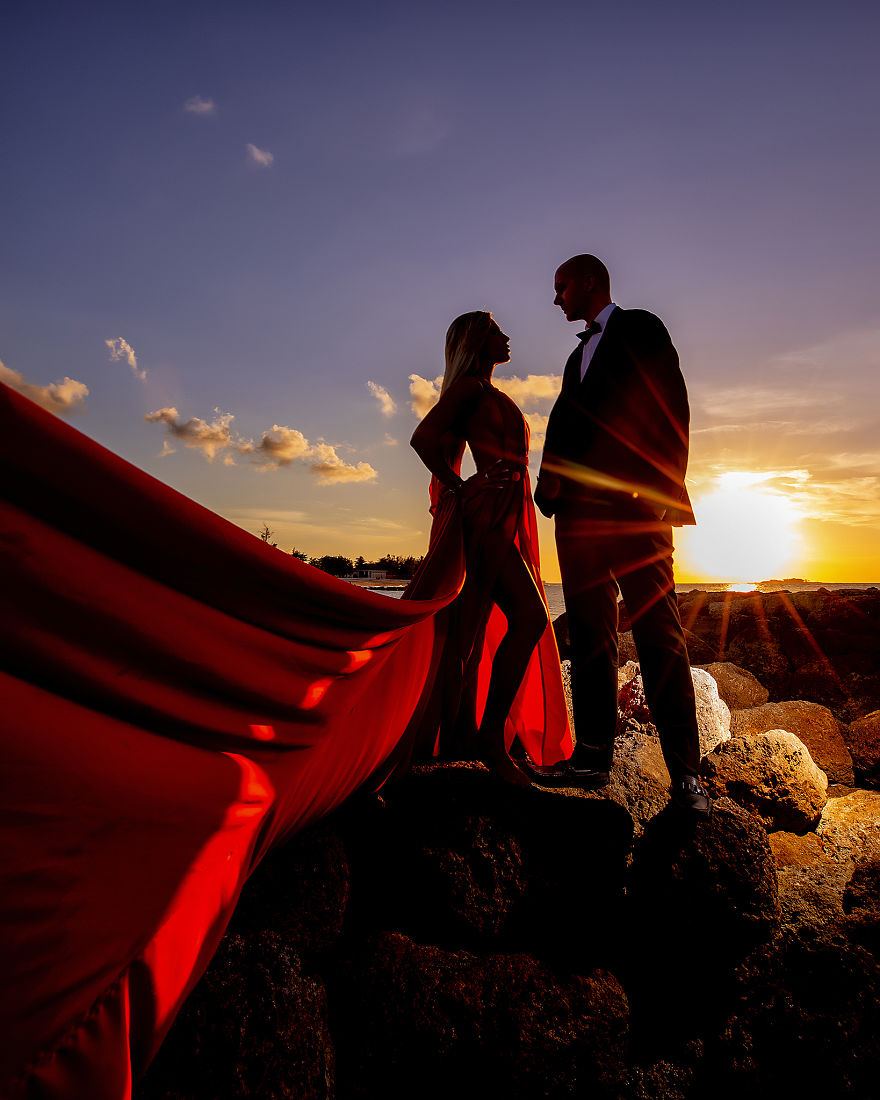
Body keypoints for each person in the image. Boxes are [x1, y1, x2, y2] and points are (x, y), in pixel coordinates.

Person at [533, 254, 711, 816]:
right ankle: (590, 760)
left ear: (589, 282)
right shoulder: (572, 358)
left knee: (660, 634)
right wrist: (549, 484)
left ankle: (686, 774)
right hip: (579, 520)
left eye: (560, 287)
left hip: (637, 512)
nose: (555, 298)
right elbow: (566, 423)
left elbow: (671, 404)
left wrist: (665, 493)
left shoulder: (641, 327)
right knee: (590, 637)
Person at [407, 310, 572, 784]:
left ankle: (474, 737)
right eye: (497, 331)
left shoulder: (490, 393)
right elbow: (423, 439)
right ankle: (480, 739)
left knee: (485, 630)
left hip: (505, 514)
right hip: (484, 517)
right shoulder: (470, 391)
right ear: (478, 341)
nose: (507, 337)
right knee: (496, 626)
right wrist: (461, 487)